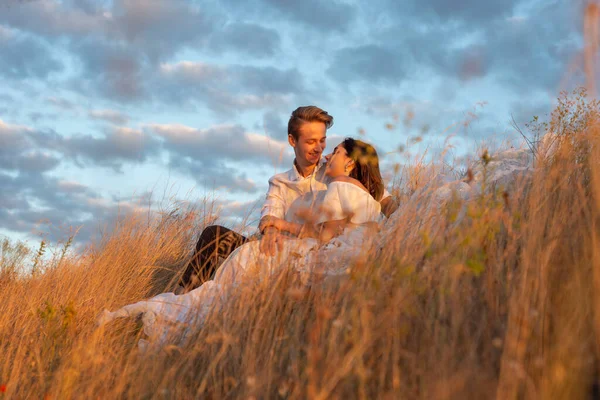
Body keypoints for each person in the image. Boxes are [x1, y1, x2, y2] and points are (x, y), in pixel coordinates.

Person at [98, 138, 387, 348]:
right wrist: (272, 225)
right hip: (346, 257)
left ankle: (175, 312)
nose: (326, 155)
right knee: (222, 242)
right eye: (317, 144)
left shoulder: (338, 184)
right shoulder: (358, 193)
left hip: (323, 254)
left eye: (332, 149)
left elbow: (328, 231)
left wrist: (283, 226)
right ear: (293, 141)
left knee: (243, 266)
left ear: (349, 161)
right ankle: (184, 301)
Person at [178, 106, 398, 292]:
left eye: (322, 140)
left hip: (318, 255)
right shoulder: (280, 182)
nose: (319, 148)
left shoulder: (335, 173)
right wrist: (271, 231)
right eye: (311, 141)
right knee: (213, 235)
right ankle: (183, 298)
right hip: (280, 251)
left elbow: (380, 198)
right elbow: (269, 217)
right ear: (292, 140)